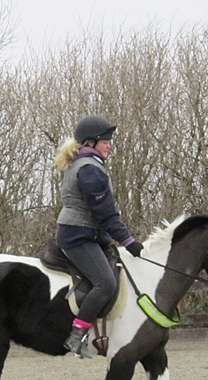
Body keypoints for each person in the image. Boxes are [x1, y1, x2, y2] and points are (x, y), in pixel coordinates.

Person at [54, 114, 144, 358]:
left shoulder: (85, 164)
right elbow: (104, 213)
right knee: (105, 283)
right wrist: (127, 241)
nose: (110, 146)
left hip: (88, 233)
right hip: (78, 235)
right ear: (91, 142)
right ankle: (77, 335)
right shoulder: (90, 170)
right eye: (106, 141)